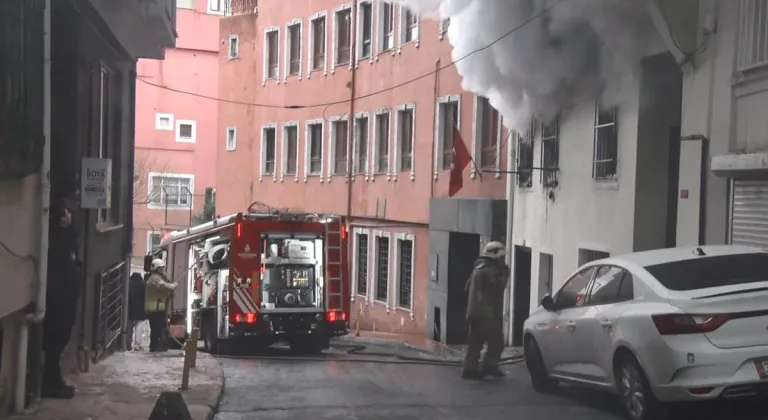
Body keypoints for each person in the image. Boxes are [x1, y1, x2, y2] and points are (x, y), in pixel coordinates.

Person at [42, 203, 82, 398]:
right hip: (59, 300)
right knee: (54, 342)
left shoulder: (68, 238)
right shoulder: (59, 241)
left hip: (66, 298)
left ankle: (52, 380)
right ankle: (50, 382)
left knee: (59, 340)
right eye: (65, 213)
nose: (69, 216)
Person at [462, 241, 510, 380]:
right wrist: (505, 273)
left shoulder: (478, 267)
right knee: (497, 342)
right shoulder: (490, 270)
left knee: (475, 342)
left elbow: (467, 287)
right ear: (495, 256)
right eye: (501, 257)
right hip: (487, 314)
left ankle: (469, 369)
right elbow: (499, 288)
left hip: (474, 312)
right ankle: (489, 367)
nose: (503, 260)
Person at [145, 259, 177, 352]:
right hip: (154, 309)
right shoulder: (154, 278)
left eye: (163, 267)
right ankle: (155, 346)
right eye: (160, 268)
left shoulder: (159, 277)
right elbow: (163, 285)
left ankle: (159, 345)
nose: (162, 269)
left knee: (160, 328)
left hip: (159, 308)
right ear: (156, 268)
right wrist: (172, 286)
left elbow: (163, 290)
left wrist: (170, 293)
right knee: (156, 328)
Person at [127, 272, 147, 351]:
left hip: (130, 308)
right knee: (139, 327)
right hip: (140, 309)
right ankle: (137, 344)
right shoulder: (143, 284)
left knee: (129, 327)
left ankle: (128, 344)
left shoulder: (128, 283)